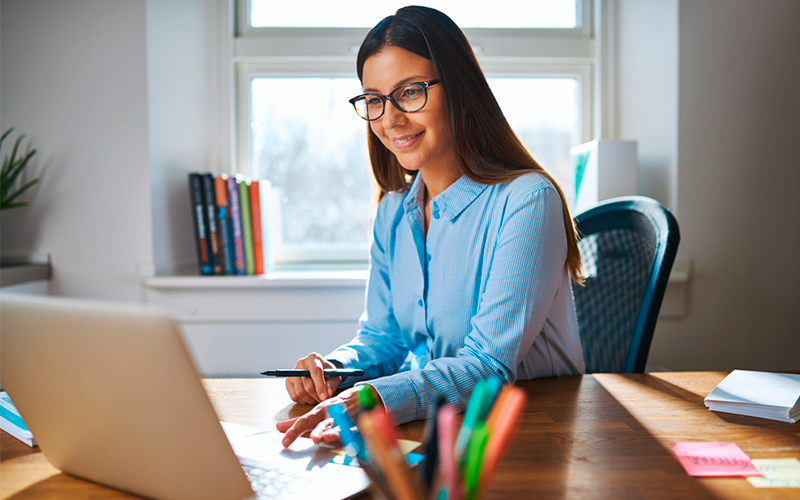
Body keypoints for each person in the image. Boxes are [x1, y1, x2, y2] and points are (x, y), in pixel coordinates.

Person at [276, 5, 584, 447]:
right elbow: (383, 338)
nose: (390, 119)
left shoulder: (528, 201)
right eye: (374, 100)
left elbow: (487, 367)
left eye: (410, 92)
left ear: (460, 90)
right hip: (437, 429)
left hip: (531, 432)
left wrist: (375, 397)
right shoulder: (392, 211)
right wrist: (335, 369)